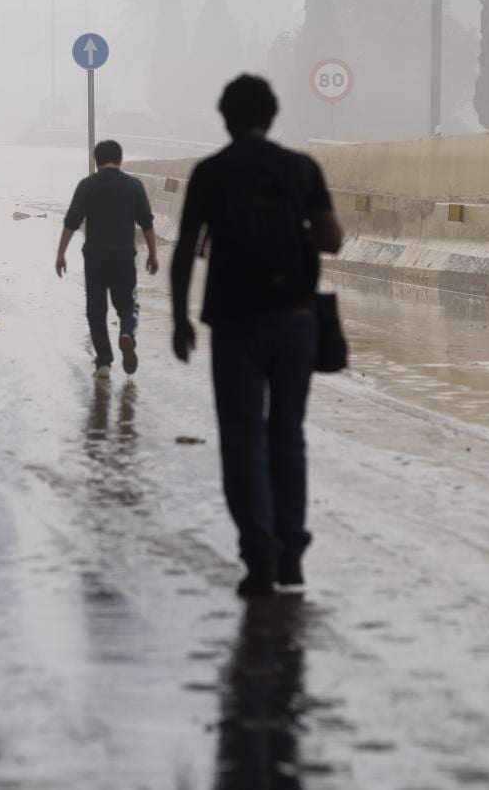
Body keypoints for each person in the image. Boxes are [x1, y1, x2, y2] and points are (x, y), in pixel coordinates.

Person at [170, 74, 343, 599]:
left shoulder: (211, 173)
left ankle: (260, 553)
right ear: (272, 116)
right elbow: (332, 239)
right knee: (288, 434)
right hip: (296, 319)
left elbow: (183, 250)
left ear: (225, 117)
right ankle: (292, 551)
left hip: (235, 320)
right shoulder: (301, 169)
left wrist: (180, 318)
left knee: (243, 437)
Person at [56, 140, 160, 380]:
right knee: (128, 305)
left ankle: (103, 362)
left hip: (94, 257)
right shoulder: (134, 186)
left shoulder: (87, 186)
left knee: (96, 310)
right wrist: (153, 254)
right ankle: (126, 333)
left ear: (96, 160)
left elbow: (71, 221)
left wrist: (61, 254)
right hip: (124, 256)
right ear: (120, 160)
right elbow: (147, 222)